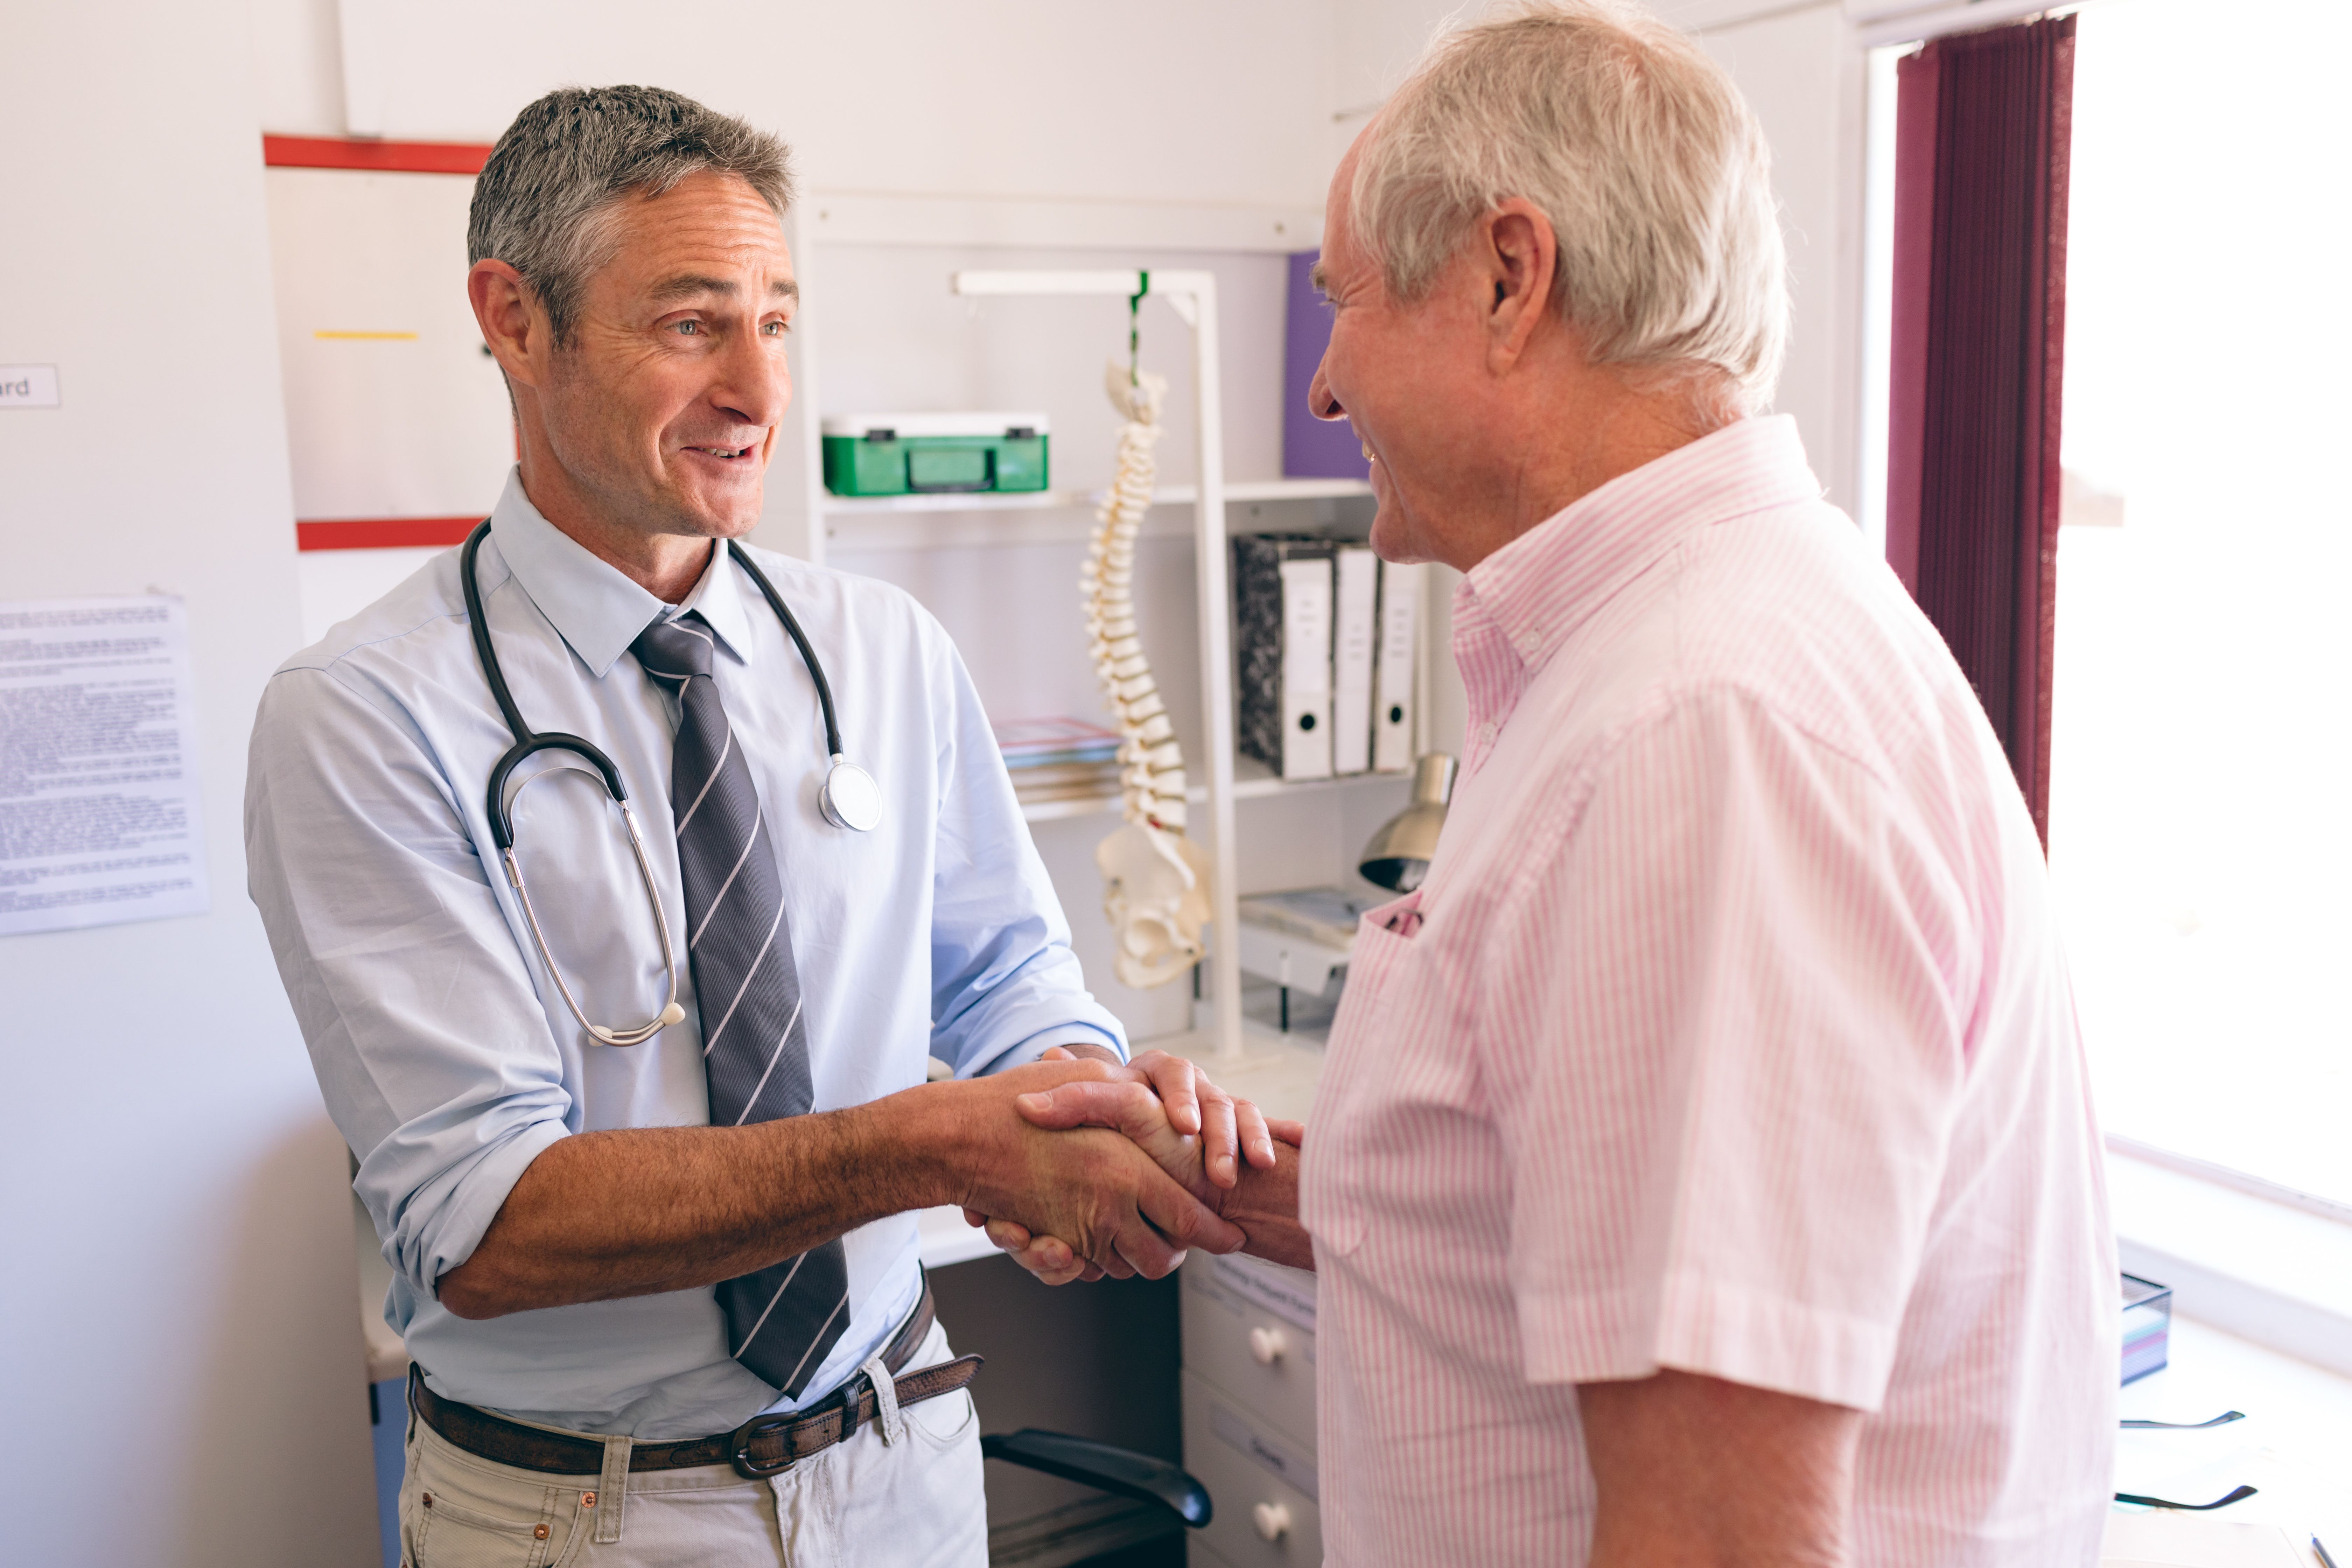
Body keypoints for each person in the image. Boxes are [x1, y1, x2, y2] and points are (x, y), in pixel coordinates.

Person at [998, 4, 2118, 1563]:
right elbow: (1583, 1213)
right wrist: (1258, 1193)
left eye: (1348, 303)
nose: (1323, 389)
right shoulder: (1666, 659)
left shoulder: (1700, 733)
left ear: (1510, 279)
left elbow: (1718, 1541)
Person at [244, 85, 1273, 1567]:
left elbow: (1004, 979)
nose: (758, 391)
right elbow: (486, 1223)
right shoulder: (363, 715)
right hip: (587, 1511)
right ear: (516, 321)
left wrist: (1077, 1114)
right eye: (691, 324)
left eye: (777, 321)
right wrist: (938, 1146)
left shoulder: (883, 647)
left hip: (900, 1455)